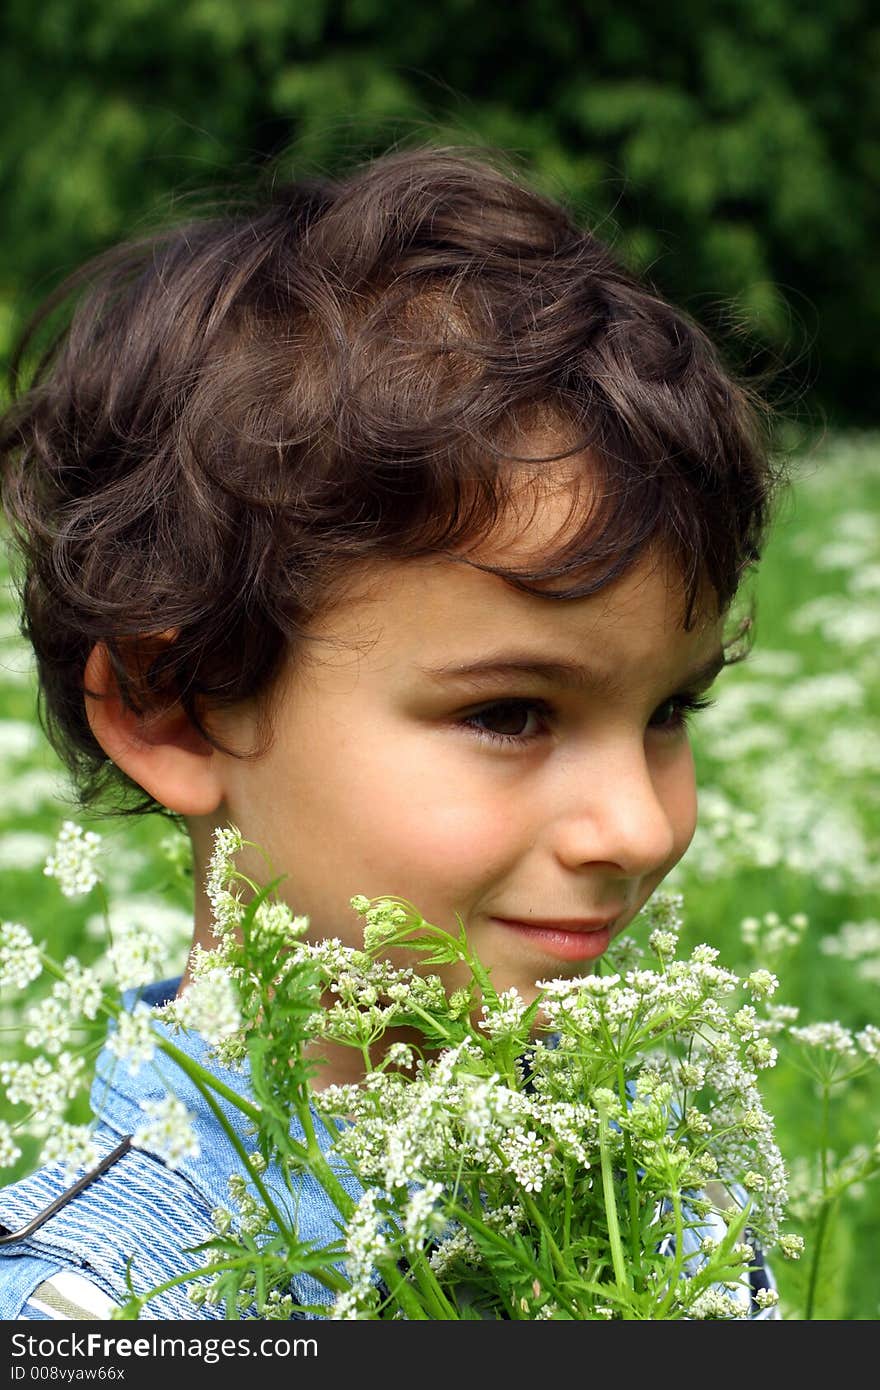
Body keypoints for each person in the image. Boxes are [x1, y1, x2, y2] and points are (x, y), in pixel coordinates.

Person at [0, 144, 781, 1319]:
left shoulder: (675, 1197)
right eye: (510, 713)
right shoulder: (91, 1303)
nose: (637, 826)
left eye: (669, 709)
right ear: (174, 713)